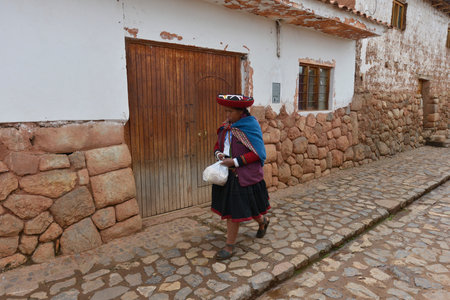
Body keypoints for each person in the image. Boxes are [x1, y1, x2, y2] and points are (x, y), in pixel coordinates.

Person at [211, 94, 271, 260]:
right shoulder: (226, 128)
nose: (227, 115)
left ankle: (231, 245)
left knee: (248, 208)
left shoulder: (250, 126)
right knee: (234, 211)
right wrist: (219, 154)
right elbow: (218, 145)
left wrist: (235, 161)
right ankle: (259, 223)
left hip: (245, 176)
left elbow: (258, 153)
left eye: (230, 112)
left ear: (240, 112)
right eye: (226, 111)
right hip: (228, 177)